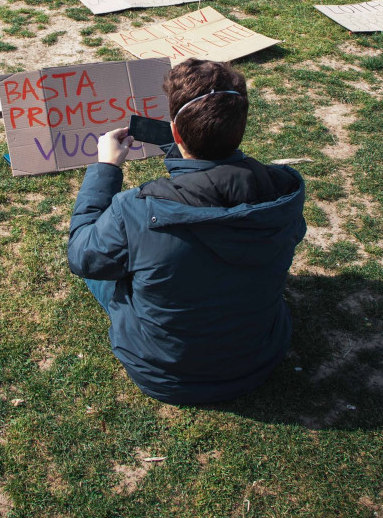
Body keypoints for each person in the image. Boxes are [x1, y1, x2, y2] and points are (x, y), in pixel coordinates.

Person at [68, 59, 307, 406]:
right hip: (259, 359)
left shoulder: (134, 210)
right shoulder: (284, 188)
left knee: (106, 262)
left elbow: (82, 256)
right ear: (240, 126)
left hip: (165, 374)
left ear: (176, 133)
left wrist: (106, 168)